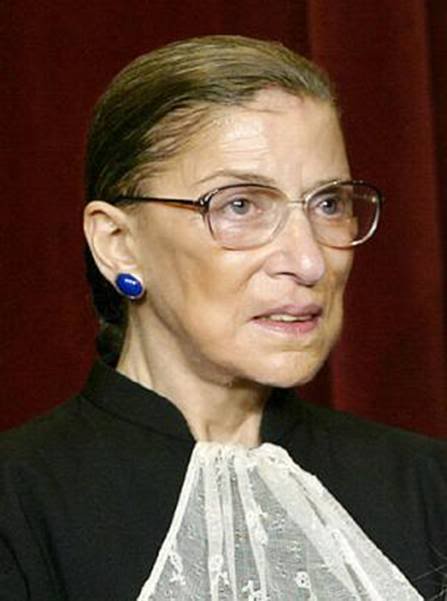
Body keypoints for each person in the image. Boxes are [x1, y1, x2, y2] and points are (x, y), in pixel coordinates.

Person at [0, 35, 445, 601]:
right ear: (118, 243)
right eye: (240, 205)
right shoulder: (17, 506)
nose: (310, 261)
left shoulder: (429, 487)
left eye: (329, 204)